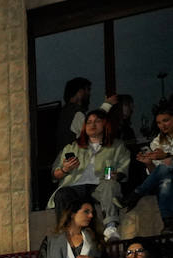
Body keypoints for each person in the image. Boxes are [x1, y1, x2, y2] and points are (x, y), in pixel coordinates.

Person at [49, 109, 130, 241]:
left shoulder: (117, 146)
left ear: (105, 124)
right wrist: (65, 169)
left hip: (99, 186)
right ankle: (66, 234)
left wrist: (116, 175)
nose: (92, 125)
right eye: (89, 122)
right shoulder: (71, 147)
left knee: (109, 184)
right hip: (74, 187)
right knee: (62, 194)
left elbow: (123, 171)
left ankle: (110, 228)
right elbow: (55, 174)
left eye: (97, 121)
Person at [119, 103, 173, 234]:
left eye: (166, 120)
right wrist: (149, 163)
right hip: (166, 179)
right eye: (159, 123)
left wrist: (167, 155)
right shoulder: (156, 142)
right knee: (165, 179)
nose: (162, 125)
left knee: (166, 171)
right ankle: (168, 224)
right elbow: (156, 174)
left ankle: (137, 192)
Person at [53, 78, 94, 152]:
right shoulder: (77, 114)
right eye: (88, 90)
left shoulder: (62, 112)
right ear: (80, 92)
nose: (89, 94)